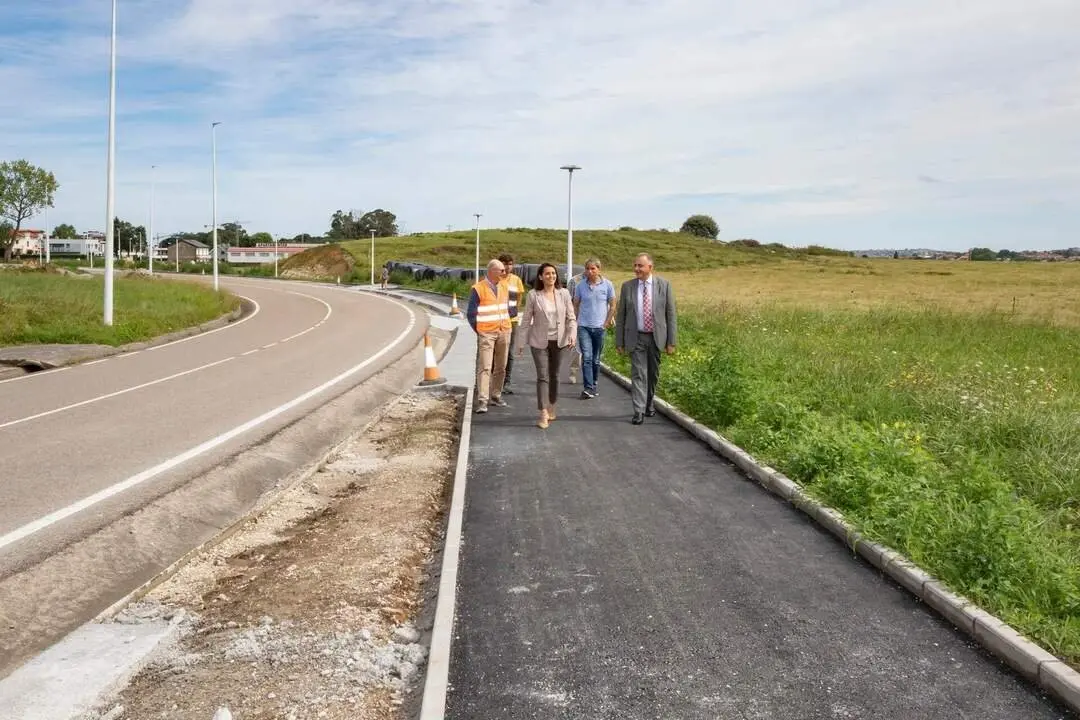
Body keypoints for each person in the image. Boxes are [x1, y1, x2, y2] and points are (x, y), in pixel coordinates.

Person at [615, 253, 677, 425]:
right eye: (635, 265)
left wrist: (671, 341)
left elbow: (670, 314)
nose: (636, 269)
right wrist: (619, 341)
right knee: (638, 374)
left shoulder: (664, 285)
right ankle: (638, 411)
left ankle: (649, 404)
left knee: (652, 374)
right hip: (636, 337)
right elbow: (621, 316)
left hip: (657, 337)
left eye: (640, 266)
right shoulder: (627, 286)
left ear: (650, 267)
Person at [515, 263, 577, 429]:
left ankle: (552, 404)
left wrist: (572, 335)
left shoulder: (564, 294)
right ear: (541, 277)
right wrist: (521, 342)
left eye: (553, 273)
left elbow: (571, 318)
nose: (551, 276)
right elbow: (527, 320)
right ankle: (543, 412)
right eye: (547, 274)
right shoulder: (534, 295)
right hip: (539, 342)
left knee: (555, 375)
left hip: (560, 341)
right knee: (543, 376)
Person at [466, 258, 514, 414]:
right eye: (501, 270)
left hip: (504, 331)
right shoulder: (478, 288)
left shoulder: (506, 286)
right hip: (486, 333)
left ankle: (496, 395)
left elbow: (511, 308)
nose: (504, 272)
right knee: (485, 366)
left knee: (501, 366)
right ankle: (482, 400)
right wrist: (479, 330)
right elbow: (471, 313)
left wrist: (507, 325)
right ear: (491, 271)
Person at [572, 257, 616, 399]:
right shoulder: (580, 286)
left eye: (593, 268)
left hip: (599, 327)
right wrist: (575, 323)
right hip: (584, 326)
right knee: (587, 357)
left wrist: (607, 322)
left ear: (599, 269)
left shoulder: (607, 285)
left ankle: (594, 383)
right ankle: (588, 387)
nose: (590, 271)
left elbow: (613, 305)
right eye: (587, 269)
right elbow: (576, 304)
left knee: (596, 359)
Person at [498, 253, 525, 395]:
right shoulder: (495, 279)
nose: (507, 267)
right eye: (504, 264)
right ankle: (494, 381)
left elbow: (519, 299)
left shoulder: (516, 280)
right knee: (496, 351)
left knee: (509, 352)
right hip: (496, 320)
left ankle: (506, 382)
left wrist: (514, 313)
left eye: (510, 264)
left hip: (511, 321)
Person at [564, 268, 585, 384]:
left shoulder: (601, 281)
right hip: (577, 318)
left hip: (593, 320)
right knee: (576, 348)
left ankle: (590, 375)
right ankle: (573, 371)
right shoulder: (575, 281)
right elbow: (568, 300)